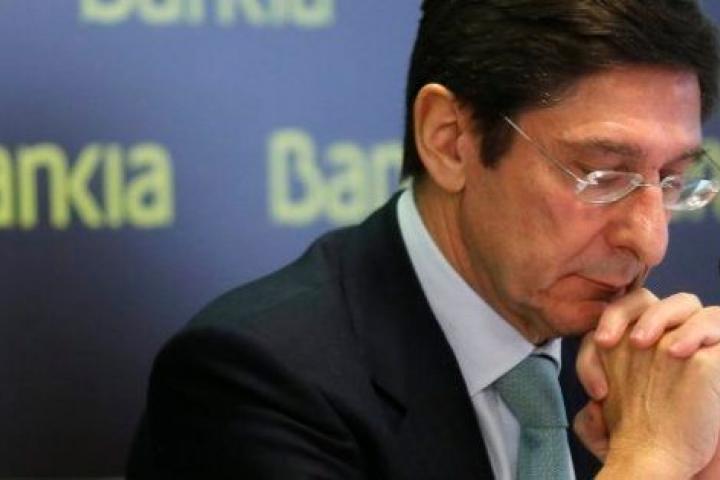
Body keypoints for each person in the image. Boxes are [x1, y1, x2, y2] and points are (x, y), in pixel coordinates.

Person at [127, 1, 720, 478]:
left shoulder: (640, 369)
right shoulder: (256, 381)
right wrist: (651, 461)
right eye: (603, 176)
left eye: (671, 180)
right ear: (449, 141)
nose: (650, 242)